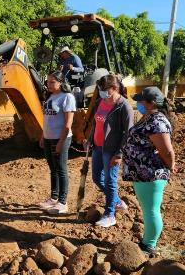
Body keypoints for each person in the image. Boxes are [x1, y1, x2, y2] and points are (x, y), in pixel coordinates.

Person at [122, 86, 175, 256]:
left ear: (151, 103)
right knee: (148, 209)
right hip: (143, 173)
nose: (138, 103)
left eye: (140, 100)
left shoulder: (157, 121)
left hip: (151, 174)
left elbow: (167, 151)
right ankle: (147, 240)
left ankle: (149, 244)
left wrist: (171, 165)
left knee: (151, 210)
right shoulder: (149, 117)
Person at [85, 74, 133, 227]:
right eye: (100, 89)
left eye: (104, 89)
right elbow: (96, 124)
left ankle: (110, 214)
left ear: (114, 88)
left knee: (110, 181)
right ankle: (117, 201)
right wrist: (90, 140)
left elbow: (128, 132)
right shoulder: (100, 101)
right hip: (98, 147)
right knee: (97, 178)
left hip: (112, 150)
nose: (101, 92)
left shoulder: (123, 106)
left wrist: (120, 153)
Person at [38, 70, 76, 214]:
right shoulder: (50, 97)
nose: (49, 84)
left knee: (61, 169)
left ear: (61, 82)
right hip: (48, 138)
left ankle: (63, 202)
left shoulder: (67, 97)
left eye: (52, 82)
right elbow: (47, 119)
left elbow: (68, 124)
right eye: (47, 81)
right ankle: (54, 198)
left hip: (60, 138)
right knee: (53, 168)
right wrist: (43, 136)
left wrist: (60, 142)